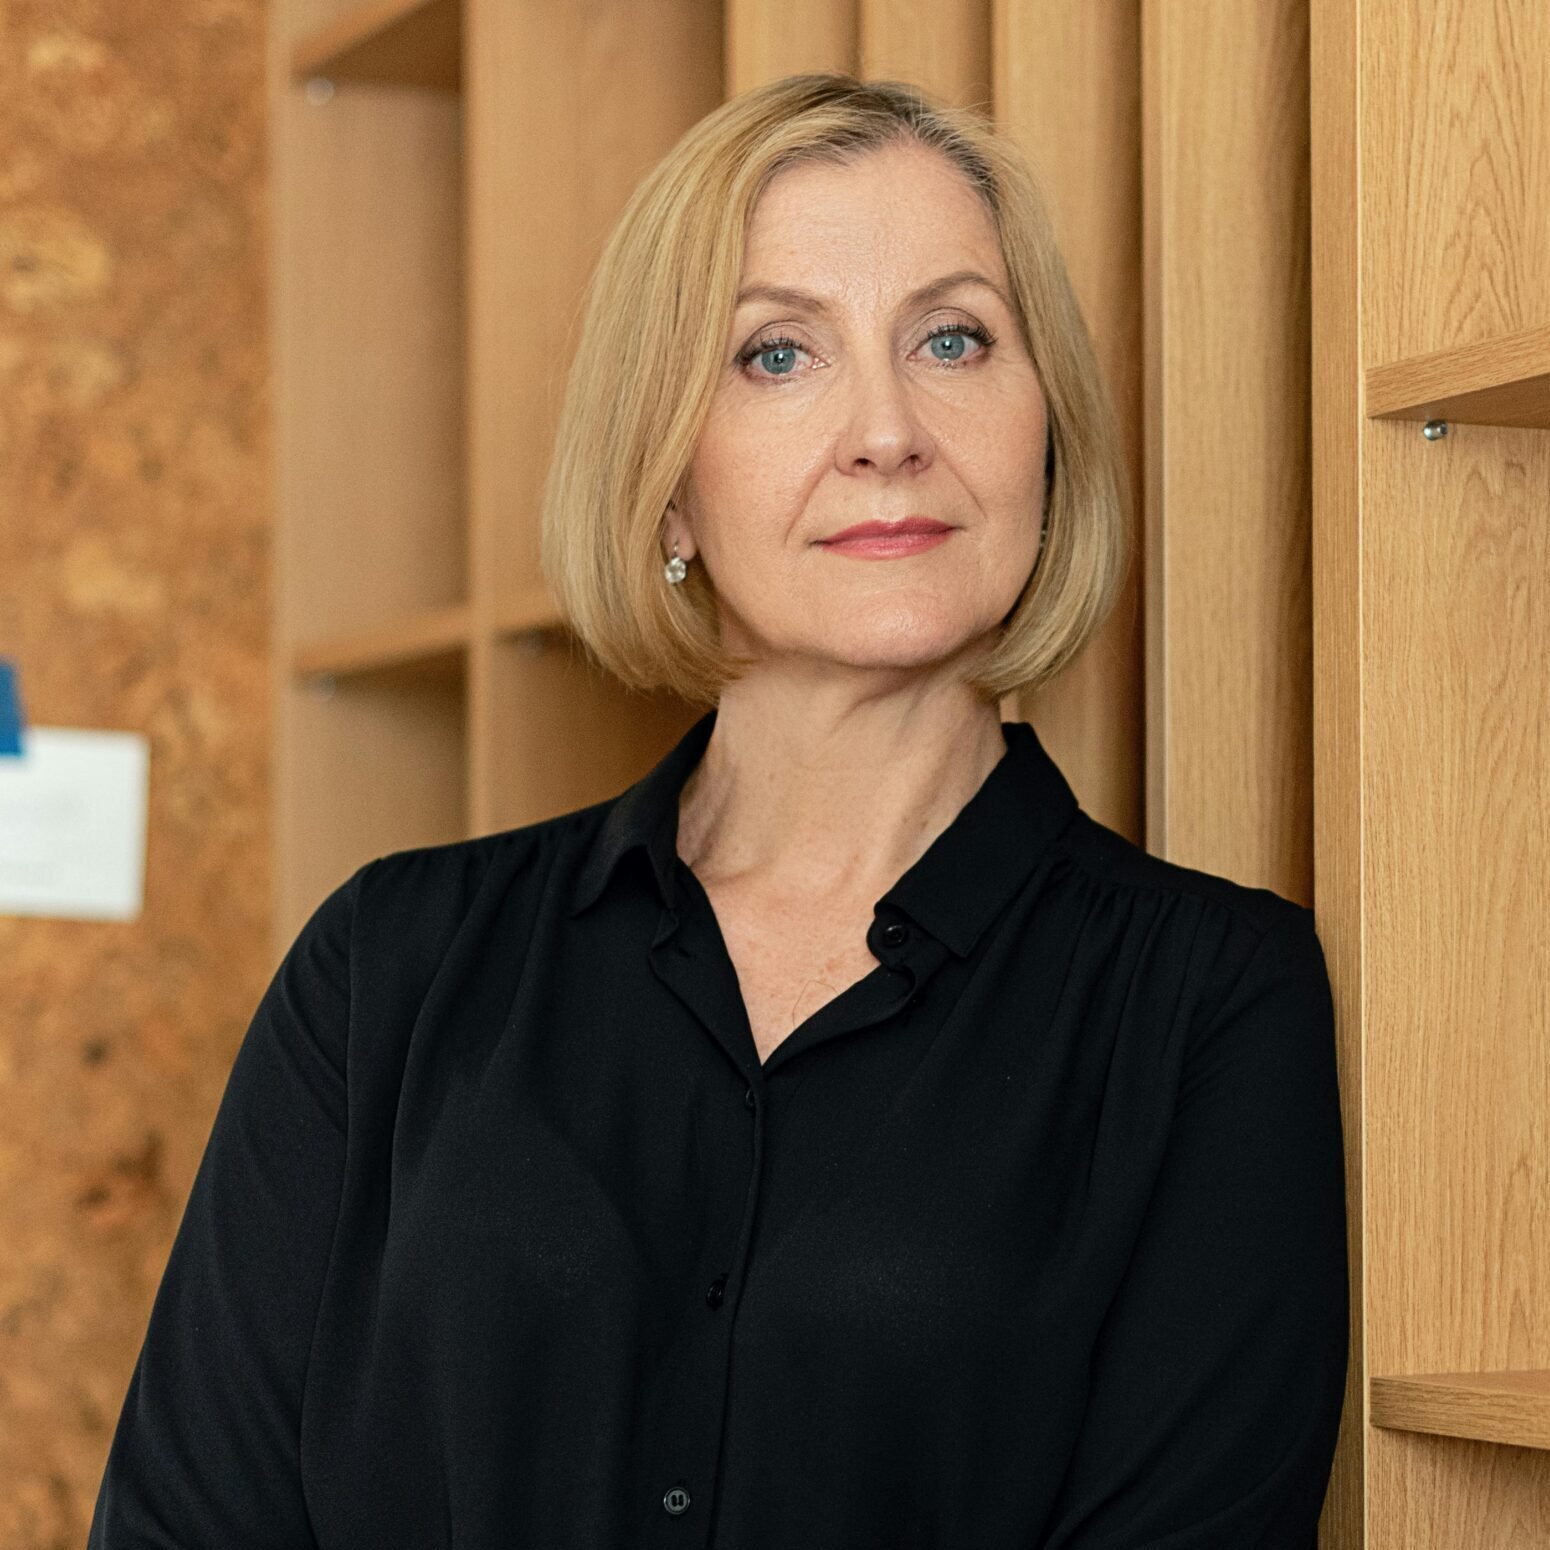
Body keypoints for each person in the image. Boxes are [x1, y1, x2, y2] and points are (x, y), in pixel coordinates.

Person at [87, 73, 1348, 1548]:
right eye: (775, 354)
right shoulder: (393, 968)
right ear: (666, 483)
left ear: (1044, 431)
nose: (888, 429)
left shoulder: (1205, 1004)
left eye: (953, 338)